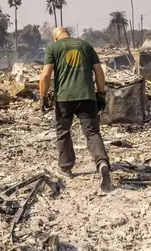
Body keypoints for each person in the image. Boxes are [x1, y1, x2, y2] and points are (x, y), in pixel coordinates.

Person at [39, 27, 112, 192]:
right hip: (87, 96)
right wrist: (100, 93)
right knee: (92, 132)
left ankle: (66, 168)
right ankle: (102, 164)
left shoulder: (53, 48)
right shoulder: (86, 45)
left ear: (56, 38)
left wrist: (42, 96)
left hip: (64, 99)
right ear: (67, 34)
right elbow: (99, 72)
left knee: (63, 132)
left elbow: (45, 75)